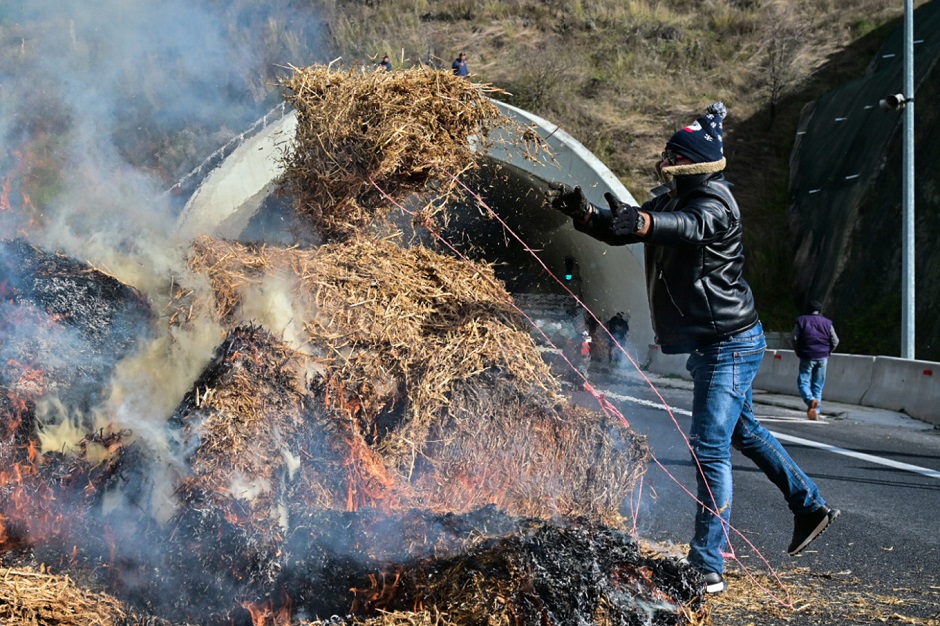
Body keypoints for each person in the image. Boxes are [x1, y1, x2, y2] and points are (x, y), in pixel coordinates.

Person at [547, 102, 839, 594]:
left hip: (730, 341)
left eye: (670, 154)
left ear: (689, 161)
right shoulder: (672, 198)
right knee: (744, 433)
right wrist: (586, 215)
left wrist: (642, 225)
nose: (662, 160)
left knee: (708, 447)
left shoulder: (715, 201)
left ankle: (708, 566)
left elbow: (686, 228)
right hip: (712, 344)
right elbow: (628, 226)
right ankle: (809, 507)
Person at [791, 300, 839, 420]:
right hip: (823, 356)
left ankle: (810, 399)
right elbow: (835, 340)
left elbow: (794, 337)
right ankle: (815, 411)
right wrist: (828, 352)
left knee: (803, 382)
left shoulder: (801, 320)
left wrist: (798, 351)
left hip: (807, 355)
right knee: (818, 385)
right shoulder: (827, 323)